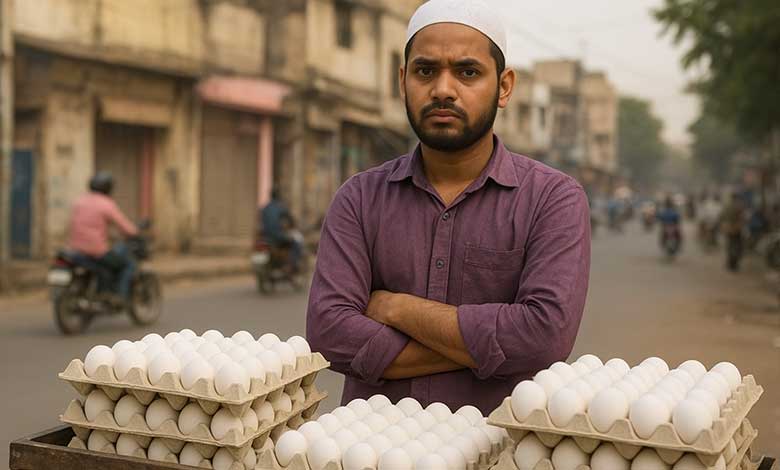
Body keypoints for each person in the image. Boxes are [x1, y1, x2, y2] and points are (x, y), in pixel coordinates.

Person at [306, 0, 591, 414]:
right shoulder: (359, 198)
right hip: (372, 451)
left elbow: (545, 336)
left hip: (498, 453)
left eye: (467, 72)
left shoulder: (552, 199)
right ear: (403, 81)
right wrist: (488, 350)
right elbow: (330, 334)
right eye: (425, 71)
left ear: (505, 86)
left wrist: (396, 307)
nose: (442, 89)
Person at [67, 171, 138, 304]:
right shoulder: (106, 204)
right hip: (96, 251)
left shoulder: (79, 201)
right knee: (128, 264)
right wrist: (134, 232)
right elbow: (123, 224)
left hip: (76, 249)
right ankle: (119, 296)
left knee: (105, 267)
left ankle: (102, 291)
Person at [260, 190, 303, 274]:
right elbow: (289, 217)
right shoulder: (280, 207)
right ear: (279, 197)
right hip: (278, 236)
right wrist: (293, 224)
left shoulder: (265, 208)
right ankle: (290, 265)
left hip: (266, 237)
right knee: (296, 243)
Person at [720, 194, 746, 272]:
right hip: (736, 229)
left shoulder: (727, 206)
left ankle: (731, 264)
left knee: (730, 245)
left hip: (728, 228)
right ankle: (734, 264)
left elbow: (722, 217)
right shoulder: (739, 206)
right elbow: (742, 217)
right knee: (737, 246)